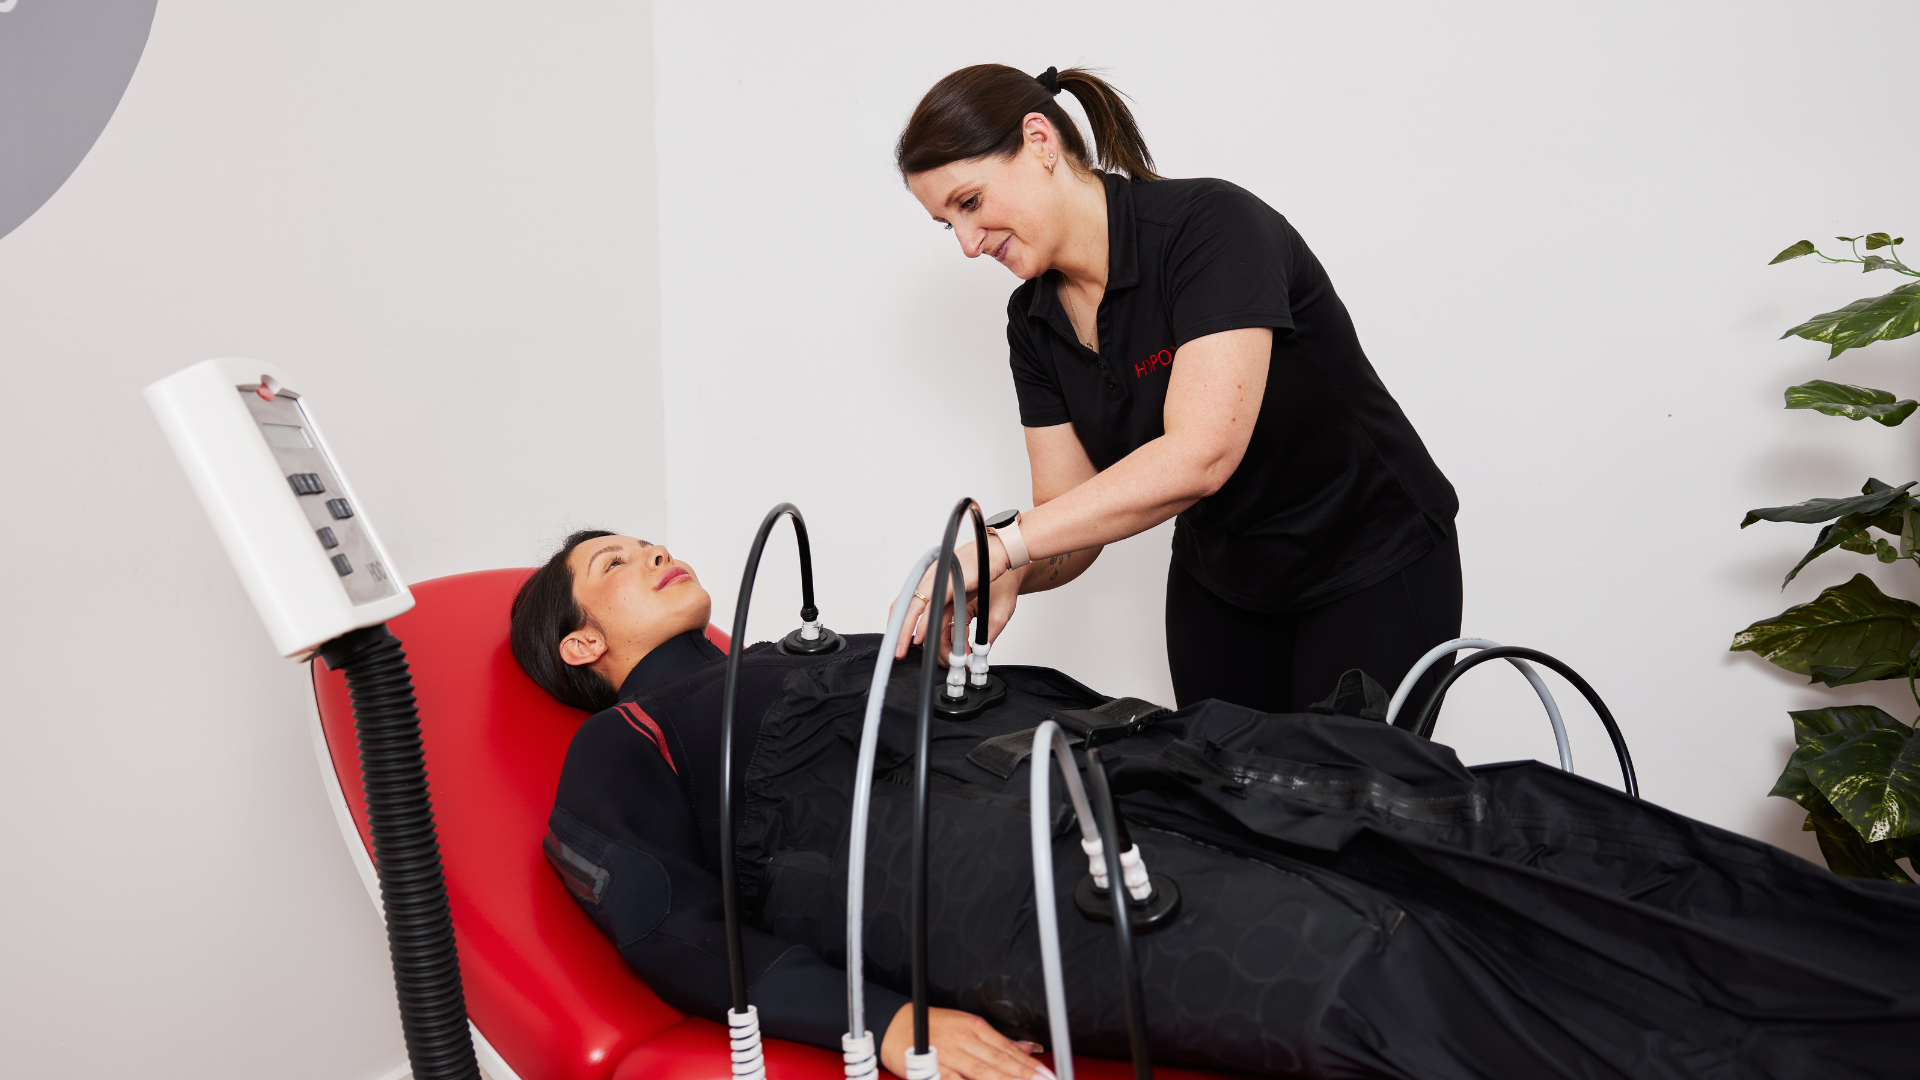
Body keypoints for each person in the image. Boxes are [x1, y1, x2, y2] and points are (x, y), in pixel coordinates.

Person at [514, 529, 1920, 1080]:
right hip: (997, 877)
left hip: (1144, 759)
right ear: (580, 647)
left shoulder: (802, 649)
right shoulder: (625, 749)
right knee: (1388, 966)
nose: (649, 547)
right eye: (610, 566)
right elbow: (671, 931)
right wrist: (885, 1026)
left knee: (1513, 824)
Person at [891, 64, 1461, 717]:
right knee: (1210, 808)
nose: (966, 244)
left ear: (1040, 141)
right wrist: (1010, 569)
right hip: (1223, 580)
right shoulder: (1034, 322)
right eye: (947, 224)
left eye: (969, 203)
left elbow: (1201, 456)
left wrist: (999, 545)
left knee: (1344, 812)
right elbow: (1067, 519)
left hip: (1371, 562)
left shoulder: (1212, 231)